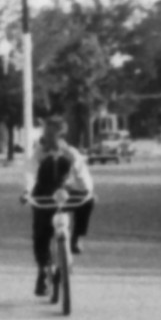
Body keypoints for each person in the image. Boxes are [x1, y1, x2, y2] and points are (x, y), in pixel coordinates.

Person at [26, 118, 96, 300]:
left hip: (64, 191)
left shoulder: (70, 153)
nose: (48, 138)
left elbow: (82, 173)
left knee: (88, 202)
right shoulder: (38, 154)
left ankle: (77, 238)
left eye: (53, 134)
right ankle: (42, 272)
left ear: (61, 135)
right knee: (40, 233)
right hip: (42, 194)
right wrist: (26, 192)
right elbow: (30, 173)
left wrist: (87, 190)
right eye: (46, 134)